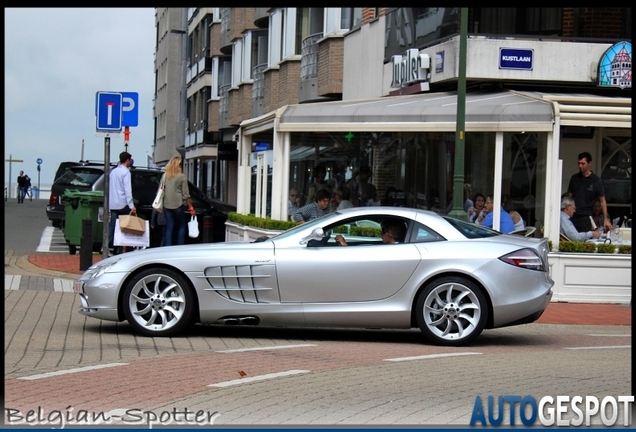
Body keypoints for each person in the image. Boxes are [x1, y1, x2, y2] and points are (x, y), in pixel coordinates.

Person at [566, 151, 613, 233]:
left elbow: (602, 200)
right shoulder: (574, 178)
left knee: (585, 240)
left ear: (589, 163)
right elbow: (569, 197)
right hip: (573, 215)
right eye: (579, 163)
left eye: (583, 163)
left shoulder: (596, 180)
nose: (580, 166)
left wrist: (606, 219)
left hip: (586, 216)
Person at [162, 156, 196, 246]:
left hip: (166, 204)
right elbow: (186, 194)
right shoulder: (182, 177)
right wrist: (191, 207)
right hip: (178, 204)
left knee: (169, 227)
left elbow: (161, 190)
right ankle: (179, 246)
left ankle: (167, 247)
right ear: (178, 165)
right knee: (181, 226)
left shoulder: (165, 175)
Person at [108, 152, 137, 254]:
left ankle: (110, 245)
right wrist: (131, 205)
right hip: (122, 203)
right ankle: (127, 247)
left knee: (113, 225)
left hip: (113, 203)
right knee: (126, 226)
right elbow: (127, 190)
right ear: (127, 160)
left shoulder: (113, 172)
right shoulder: (126, 172)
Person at [336, 217, 407, 246]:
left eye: (383, 231)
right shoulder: (393, 247)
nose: (381, 234)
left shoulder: (392, 250)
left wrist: (344, 245)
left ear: (391, 233)